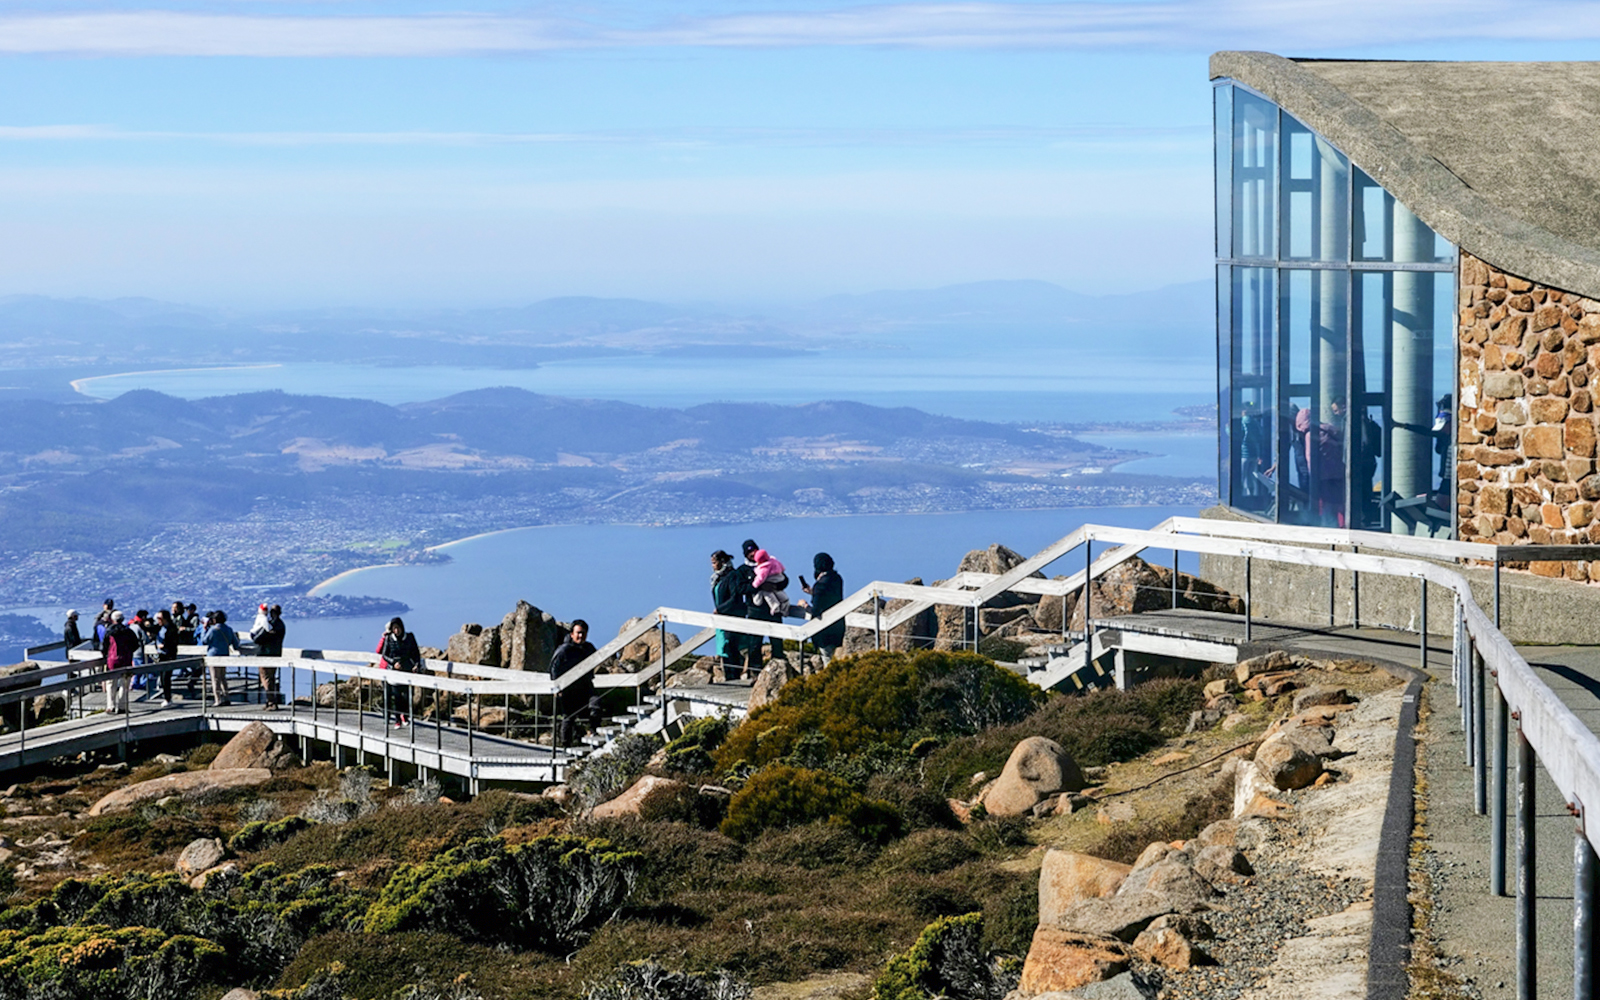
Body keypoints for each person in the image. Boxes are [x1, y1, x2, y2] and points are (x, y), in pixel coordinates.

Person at [548, 619, 598, 744]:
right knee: (569, 718)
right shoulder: (564, 650)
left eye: (583, 633)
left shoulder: (589, 648)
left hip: (585, 686)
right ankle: (565, 746)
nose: (581, 636)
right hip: (567, 688)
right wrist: (557, 687)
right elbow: (553, 668)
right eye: (578, 633)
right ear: (572, 634)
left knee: (595, 705)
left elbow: (598, 659)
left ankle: (593, 731)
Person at [740, 539, 786, 673]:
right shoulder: (743, 571)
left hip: (773, 611)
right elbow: (740, 588)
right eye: (749, 552)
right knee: (754, 644)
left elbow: (784, 579)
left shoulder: (769, 563)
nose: (752, 553)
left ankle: (779, 671)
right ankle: (755, 673)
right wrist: (758, 587)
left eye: (754, 550)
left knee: (777, 642)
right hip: (755, 611)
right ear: (745, 554)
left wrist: (774, 586)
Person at [798, 552, 845, 665]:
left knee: (827, 661)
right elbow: (829, 598)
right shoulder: (837, 579)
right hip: (838, 626)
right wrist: (812, 593)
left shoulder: (819, 585)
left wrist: (804, 605)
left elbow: (816, 611)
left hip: (824, 632)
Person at [376, 616, 420, 727]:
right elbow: (384, 654)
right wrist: (393, 663)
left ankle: (405, 716)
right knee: (396, 697)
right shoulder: (389, 639)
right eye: (394, 628)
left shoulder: (409, 637)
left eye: (398, 628)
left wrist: (416, 664)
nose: (396, 631)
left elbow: (415, 652)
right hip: (393, 671)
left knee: (407, 696)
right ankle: (397, 720)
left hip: (407, 670)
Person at [710, 550, 746, 681]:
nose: (712, 566)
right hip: (721, 619)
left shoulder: (732, 576)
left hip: (731, 618)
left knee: (730, 648)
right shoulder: (718, 578)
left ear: (722, 562)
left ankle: (734, 679)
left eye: (714, 563)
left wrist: (720, 609)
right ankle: (728, 678)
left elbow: (735, 598)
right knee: (724, 650)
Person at [101, 610, 139, 714]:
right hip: (126, 659)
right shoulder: (128, 631)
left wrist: (106, 655)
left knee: (111, 684)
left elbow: (103, 646)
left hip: (112, 661)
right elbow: (136, 644)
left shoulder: (109, 631)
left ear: (113, 619)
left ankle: (110, 706)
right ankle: (122, 707)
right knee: (124, 683)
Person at [201, 610, 241, 706]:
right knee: (223, 677)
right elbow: (235, 643)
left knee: (215, 678)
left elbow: (204, 641)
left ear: (214, 620)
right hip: (224, 655)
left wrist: (204, 628)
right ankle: (226, 697)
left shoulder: (213, 630)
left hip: (213, 656)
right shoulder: (229, 629)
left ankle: (217, 699)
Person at [252, 604, 287, 710]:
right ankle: (270, 701)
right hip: (275, 653)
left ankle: (271, 701)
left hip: (265, 654)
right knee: (270, 678)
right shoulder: (281, 625)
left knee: (266, 678)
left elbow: (258, 638)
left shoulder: (271, 625)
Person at [153, 608, 180, 706]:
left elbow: (174, 642)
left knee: (166, 677)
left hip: (169, 655)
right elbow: (151, 629)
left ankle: (168, 698)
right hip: (161, 655)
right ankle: (167, 697)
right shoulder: (159, 628)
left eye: (159, 618)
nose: (158, 620)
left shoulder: (171, 628)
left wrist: (164, 645)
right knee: (162, 677)